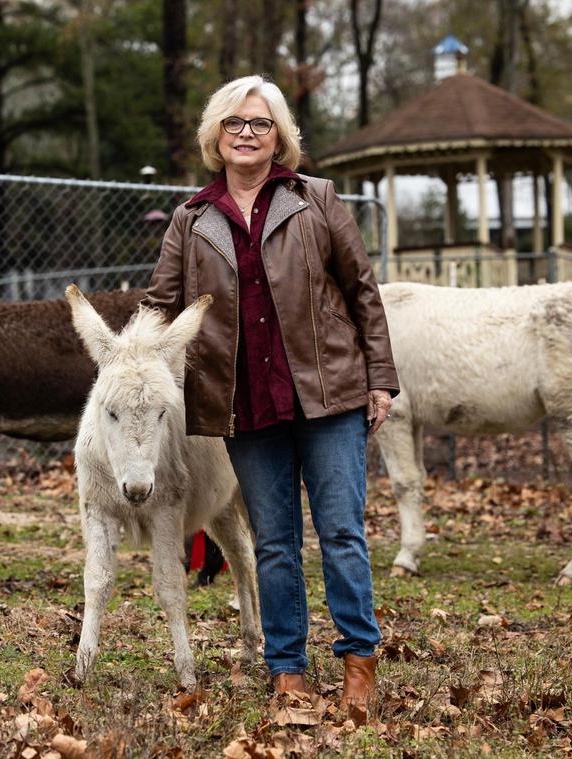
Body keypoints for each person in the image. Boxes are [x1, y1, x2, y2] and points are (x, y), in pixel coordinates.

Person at [142, 75, 398, 712]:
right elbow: (159, 306)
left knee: (341, 532)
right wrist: (120, 360)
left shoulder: (316, 200)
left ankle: (359, 664)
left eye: (259, 123)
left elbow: (362, 289)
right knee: (275, 542)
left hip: (329, 393)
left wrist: (381, 378)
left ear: (279, 135)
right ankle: (288, 669)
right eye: (234, 123)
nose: (247, 133)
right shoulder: (192, 219)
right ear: (216, 136)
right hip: (243, 403)